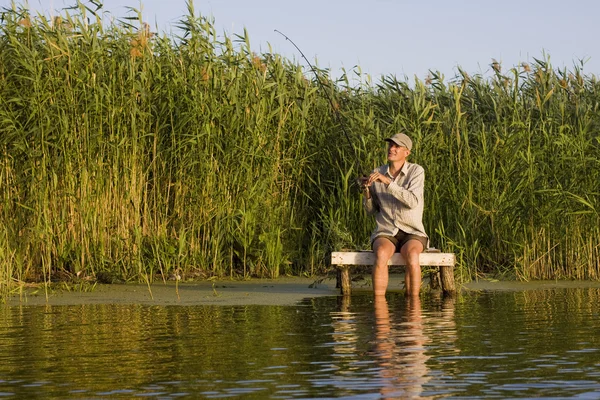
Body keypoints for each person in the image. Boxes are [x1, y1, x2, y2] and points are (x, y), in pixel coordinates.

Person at [362, 132, 428, 297]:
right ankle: (379, 307)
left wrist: (388, 183)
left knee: (412, 256)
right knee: (381, 253)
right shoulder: (377, 171)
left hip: (412, 231)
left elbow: (412, 201)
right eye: (390, 145)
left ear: (407, 152)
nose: (391, 149)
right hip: (386, 230)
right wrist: (367, 193)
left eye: (396, 146)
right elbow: (371, 210)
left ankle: (414, 305)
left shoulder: (416, 171)